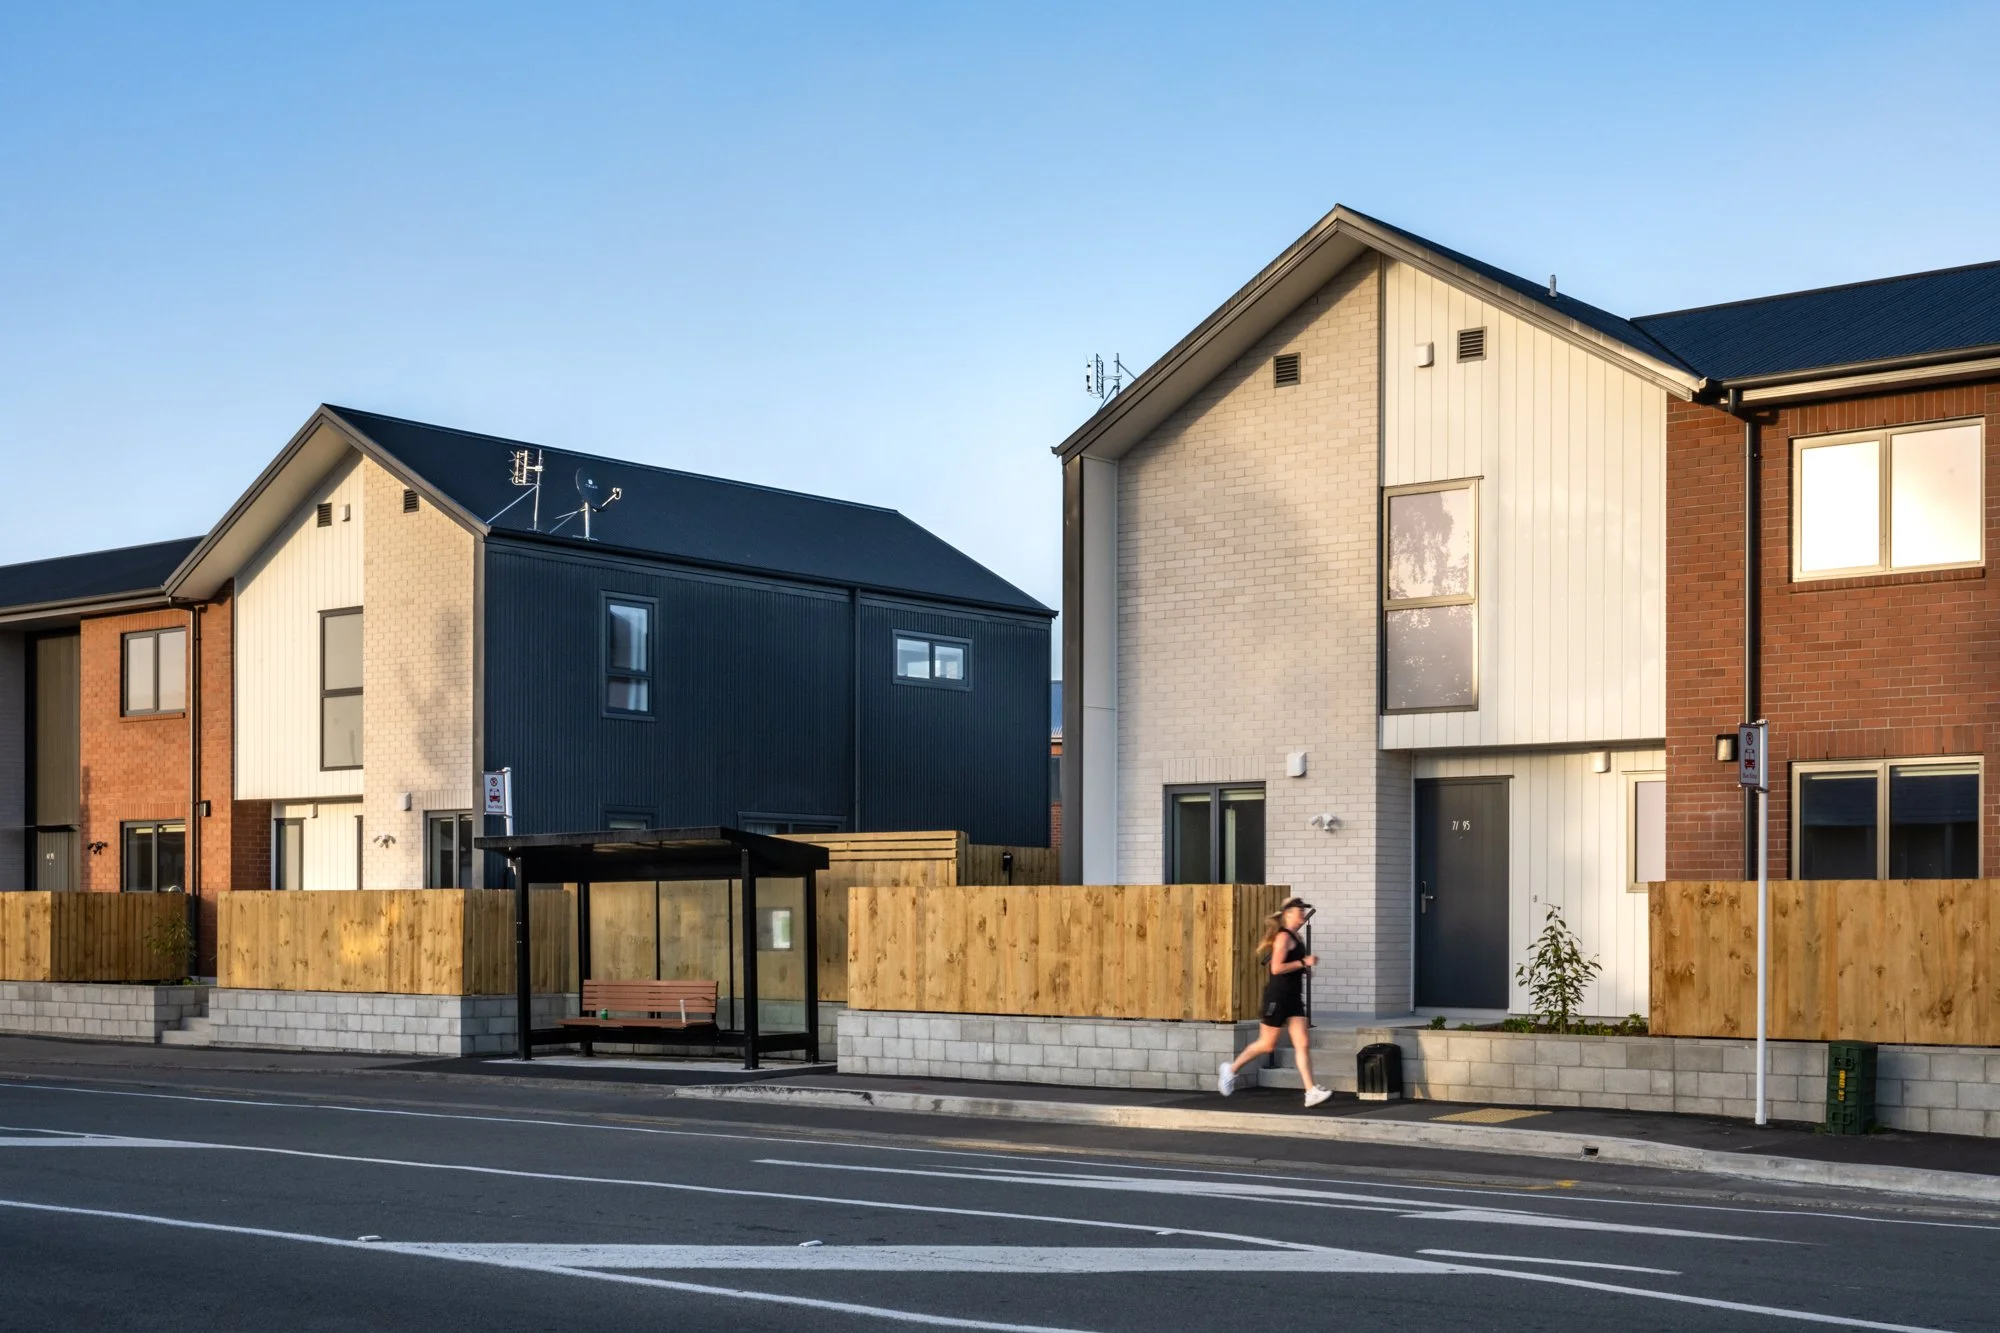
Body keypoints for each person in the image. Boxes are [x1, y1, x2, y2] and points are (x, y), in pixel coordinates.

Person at [1218, 897, 1332, 1107]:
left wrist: (1304, 970)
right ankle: (1230, 1069)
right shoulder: (1283, 937)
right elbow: (1276, 968)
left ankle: (1310, 1090)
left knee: (1303, 1043)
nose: (1302, 915)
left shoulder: (1297, 937)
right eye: (1299, 911)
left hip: (1293, 998)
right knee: (1267, 1044)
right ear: (1288, 913)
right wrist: (1302, 962)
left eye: (1303, 911)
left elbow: (1292, 966)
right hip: (1277, 998)